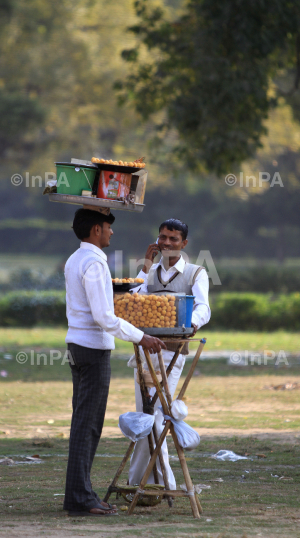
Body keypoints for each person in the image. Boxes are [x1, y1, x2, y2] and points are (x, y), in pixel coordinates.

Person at [63, 208, 166, 517]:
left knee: (84, 423)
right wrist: (141, 337)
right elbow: (105, 316)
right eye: (108, 227)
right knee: (88, 425)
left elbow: (117, 296)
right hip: (92, 351)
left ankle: (78, 496)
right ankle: (80, 498)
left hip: (79, 346)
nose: (111, 233)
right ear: (96, 229)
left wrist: (145, 269)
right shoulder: (93, 262)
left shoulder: (76, 259)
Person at [128, 218, 210, 490]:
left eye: (173, 239)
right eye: (163, 237)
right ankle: (153, 483)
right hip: (145, 349)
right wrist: (145, 267)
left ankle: (155, 483)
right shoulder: (148, 271)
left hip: (173, 353)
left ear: (184, 244)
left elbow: (203, 308)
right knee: (147, 414)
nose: (166, 243)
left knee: (155, 415)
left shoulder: (196, 273)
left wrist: (191, 324)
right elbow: (131, 299)